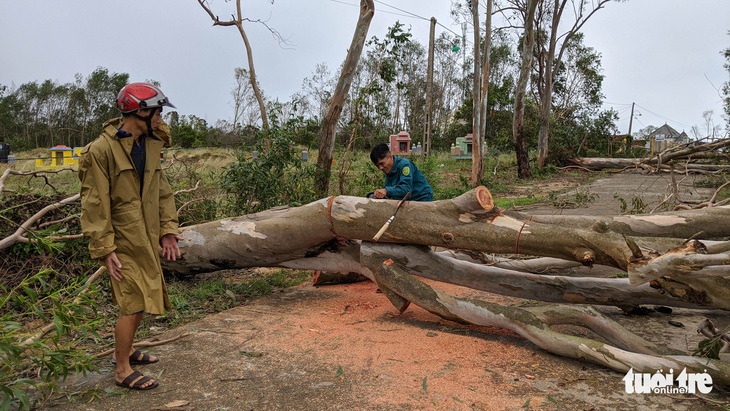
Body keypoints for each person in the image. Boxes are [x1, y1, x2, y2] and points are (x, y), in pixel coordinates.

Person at [78, 82, 182, 391]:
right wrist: (105, 248)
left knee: (144, 294)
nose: (161, 117)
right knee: (132, 301)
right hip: (122, 238)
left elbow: (161, 192)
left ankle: (125, 351)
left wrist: (168, 231)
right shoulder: (100, 150)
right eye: (157, 111)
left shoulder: (150, 144)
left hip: (147, 235)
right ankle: (122, 369)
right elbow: (94, 203)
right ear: (139, 112)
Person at [370, 143, 434, 202]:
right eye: (377, 165)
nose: (380, 168)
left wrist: (386, 191)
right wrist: (379, 194)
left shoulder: (405, 165)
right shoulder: (388, 169)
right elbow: (391, 190)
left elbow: (406, 189)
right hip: (406, 200)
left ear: (390, 156)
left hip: (421, 197)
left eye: (382, 163)